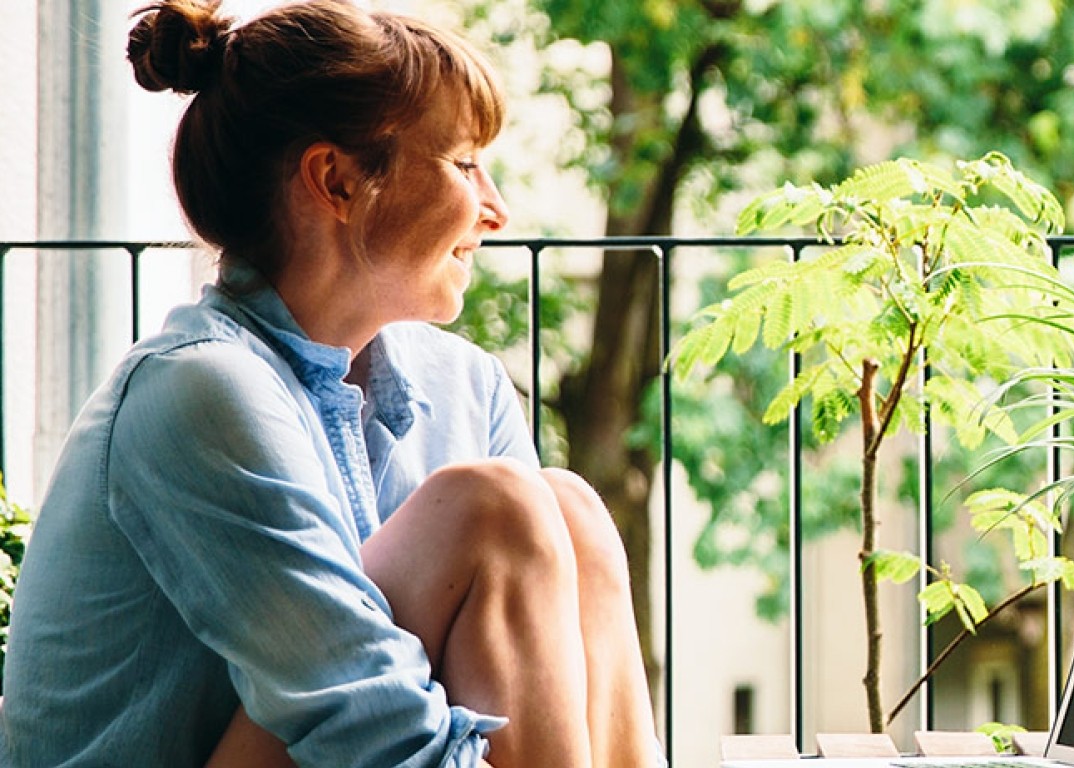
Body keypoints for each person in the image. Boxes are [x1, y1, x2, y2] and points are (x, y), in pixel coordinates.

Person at [0, 1, 662, 766]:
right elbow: (368, 728)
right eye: (464, 163)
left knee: (569, 507)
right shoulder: (197, 394)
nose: (496, 210)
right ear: (336, 180)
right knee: (494, 509)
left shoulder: (465, 386)